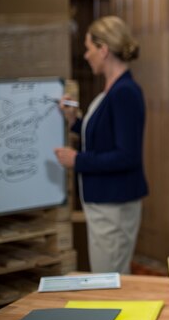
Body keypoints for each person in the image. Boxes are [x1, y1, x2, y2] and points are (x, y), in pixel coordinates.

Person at [54, 15, 148, 274]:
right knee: (108, 277)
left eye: (89, 48)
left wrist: (77, 160)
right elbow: (105, 138)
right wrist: (75, 122)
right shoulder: (113, 90)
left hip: (114, 207)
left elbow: (127, 155)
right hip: (106, 206)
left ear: (104, 50)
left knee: (111, 280)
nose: (86, 55)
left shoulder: (124, 93)